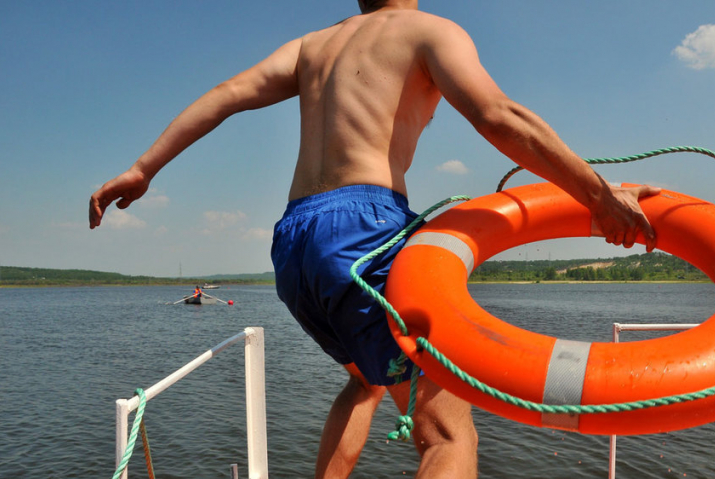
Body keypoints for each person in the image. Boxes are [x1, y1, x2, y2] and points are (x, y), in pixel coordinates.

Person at [89, 1, 660, 477]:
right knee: (446, 436)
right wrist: (597, 194)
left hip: (295, 242)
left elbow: (227, 92)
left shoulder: (314, 44)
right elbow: (497, 115)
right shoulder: (430, 31)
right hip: (366, 227)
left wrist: (144, 168)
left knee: (364, 383)